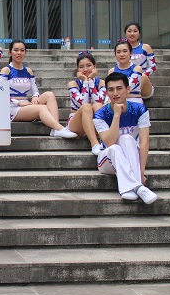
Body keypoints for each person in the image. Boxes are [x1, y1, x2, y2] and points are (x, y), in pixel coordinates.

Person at [94, 72, 158, 204]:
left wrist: (141, 171)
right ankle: (139, 187)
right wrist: (116, 115)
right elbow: (109, 142)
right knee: (115, 148)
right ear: (107, 92)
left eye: (119, 88)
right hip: (107, 159)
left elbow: (144, 141)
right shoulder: (100, 115)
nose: (115, 93)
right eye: (111, 90)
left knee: (127, 139)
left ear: (127, 89)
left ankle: (132, 188)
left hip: (130, 154)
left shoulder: (139, 110)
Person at [0, 39, 77, 138]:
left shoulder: (28, 71)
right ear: (10, 52)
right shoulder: (6, 70)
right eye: (16, 50)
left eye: (22, 50)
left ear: (25, 52)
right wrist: (18, 102)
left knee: (49, 95)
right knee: (42, 108)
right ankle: (59, 128)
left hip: (26, 105)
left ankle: (55, 128)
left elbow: (35, 91)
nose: (19, 53)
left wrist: (35, 96)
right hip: (12, 107)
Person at [67, 52, 107, 155]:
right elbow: (83, 102)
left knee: (98, 105)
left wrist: (91, 82)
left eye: (89, 65)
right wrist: (85, 81)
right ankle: (94, 144)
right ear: (77, 69)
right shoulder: (73, 84)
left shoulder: (102, 83)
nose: (85, 69)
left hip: (95, 121)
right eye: (81, 67)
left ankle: (104, 141)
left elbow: (98, 101)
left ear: (95, 66)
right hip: (77, 123)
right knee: (86, 106)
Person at [108, 39, 153, 104]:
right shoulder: (112, 71)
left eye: (125, 51)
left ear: (131, 53)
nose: (121, 54)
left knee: (143, 76)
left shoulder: (137, 68)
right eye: (118, 52)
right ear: (115, 54)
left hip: (142, 92)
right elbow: (109, 91)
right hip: (128, 96)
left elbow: (128, 88)